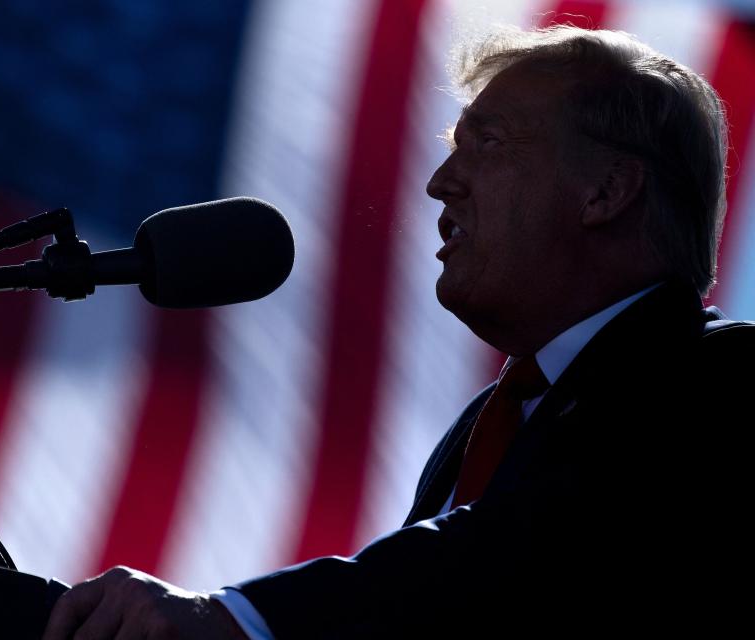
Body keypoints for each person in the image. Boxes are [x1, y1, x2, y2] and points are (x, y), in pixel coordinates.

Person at [42, 24, 752, 639]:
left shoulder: (718, 378)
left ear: (606, 192)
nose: (441, 183)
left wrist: (244, 619)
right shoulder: (493, 423)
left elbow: (521, 549)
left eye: (489, 144)